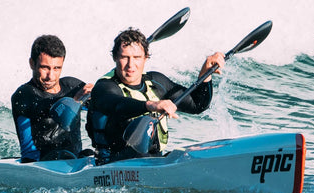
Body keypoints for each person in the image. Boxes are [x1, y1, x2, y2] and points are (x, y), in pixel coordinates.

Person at [87, 27, 225, 164]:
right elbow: (117, 105)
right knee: (144, 121)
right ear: (115, 57)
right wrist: (152, 105)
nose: (131, 64)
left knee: (191, 153)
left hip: (153, 160)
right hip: (114, 163)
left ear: (145, 58)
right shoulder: (104, 87)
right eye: (124, 57)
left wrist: (205, 74)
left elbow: (197, 105)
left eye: (137, 57)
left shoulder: (157, 82)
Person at [11, 35, 93, 162]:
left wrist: (97, 94)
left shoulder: (72, 86)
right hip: (38, 162)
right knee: (60, 155)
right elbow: (48, 107)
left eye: (57, 68)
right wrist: (75, 101)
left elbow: (101, 104)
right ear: (32, 63)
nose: (51, 76)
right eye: (45, 68)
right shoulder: (24, 94)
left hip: (74, 159)